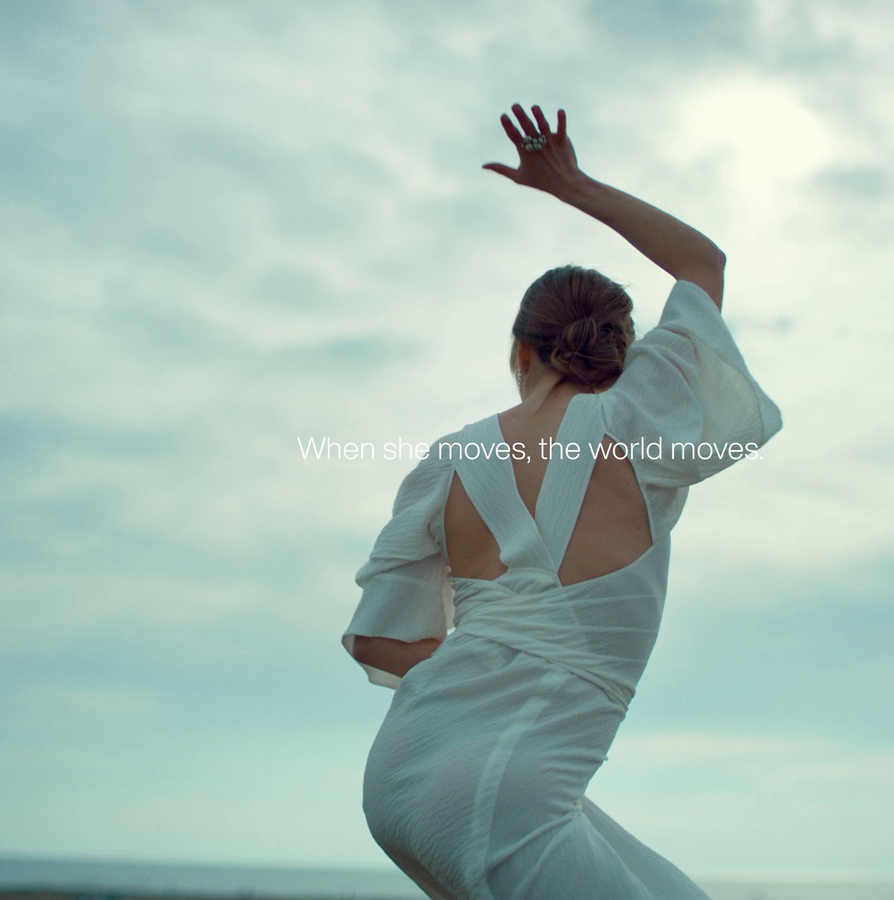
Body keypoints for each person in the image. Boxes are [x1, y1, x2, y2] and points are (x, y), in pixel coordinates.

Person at [340, 103, 783, 900]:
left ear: (519, 350)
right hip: (506, 793)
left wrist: (496, 653)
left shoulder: (449, 460)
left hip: (405, 772)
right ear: (619, 350)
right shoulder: (639, 421)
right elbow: (702, 263)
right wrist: (572, 185)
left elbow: (375, 642)